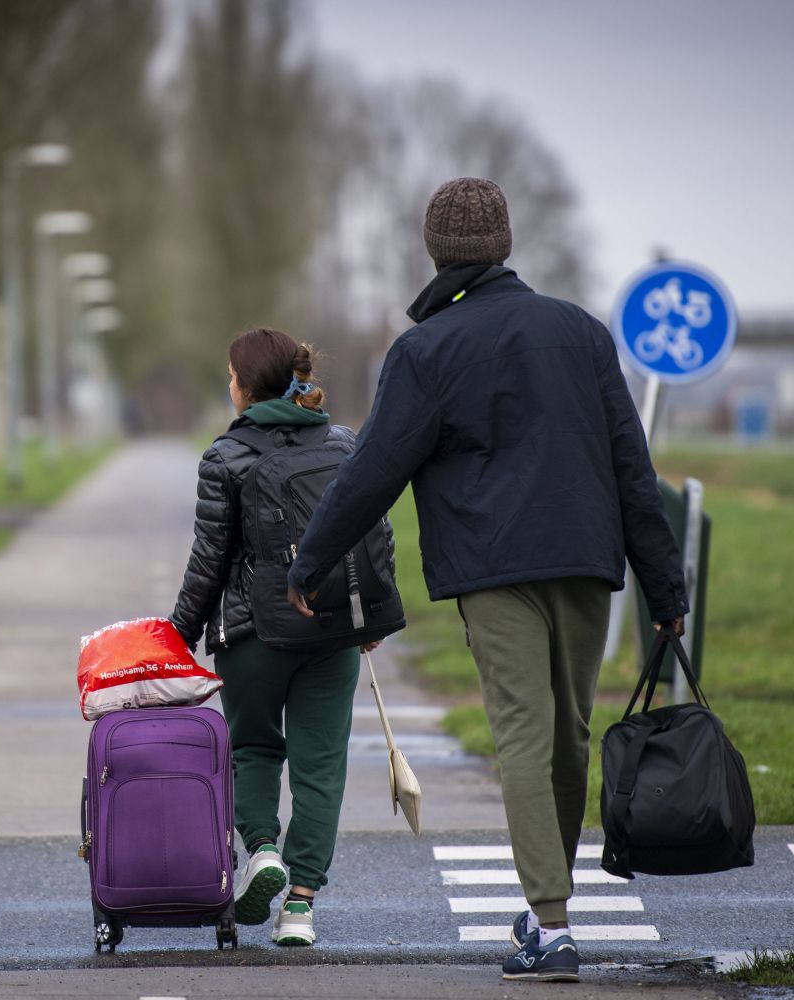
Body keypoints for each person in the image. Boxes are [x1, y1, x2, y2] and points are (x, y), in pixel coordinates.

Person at [286, 178, 688, 983]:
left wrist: (311, 558)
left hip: (495, 567)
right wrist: (665, 587)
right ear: (504, 244)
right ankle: (550, 907)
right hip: (585, 561)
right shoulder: (580, 332)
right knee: (568, 734)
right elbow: (632, 467)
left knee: (525, 736)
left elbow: (373, 469)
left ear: (435, 251)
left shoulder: (426, 350)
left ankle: (552, 924)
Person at [170, 328, 389, 948]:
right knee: (321, 765)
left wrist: (178, 634)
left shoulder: (225, 456)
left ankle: (263, 850)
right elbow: (375, 533)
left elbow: (208, 561)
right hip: (331, 630)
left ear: (244, 386)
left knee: (254, 750)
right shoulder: (343, 444)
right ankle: (300, 906)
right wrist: (369, 615)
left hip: (252, 635)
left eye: (230, 376)